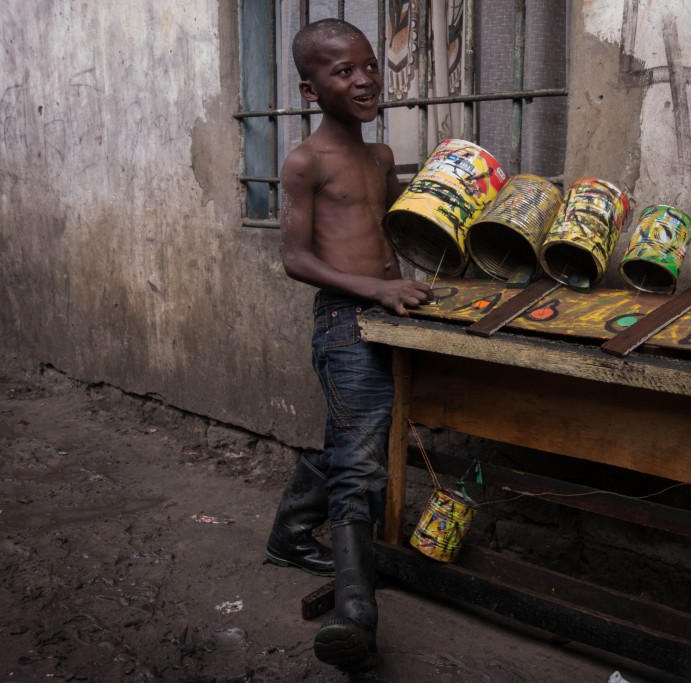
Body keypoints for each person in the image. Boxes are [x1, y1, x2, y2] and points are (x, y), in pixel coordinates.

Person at [262, 18, 433, 671]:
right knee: (361, 465)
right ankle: (356, 614)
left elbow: (398, 231)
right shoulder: (307, 161)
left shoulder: (381, 156)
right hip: (345, 321)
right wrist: (370, 288)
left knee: (354, 440)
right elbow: (296, 258)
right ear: (311, 89)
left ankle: (287, 533)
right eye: (342, 71)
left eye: (368, 66)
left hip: (389, 314)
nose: (363, 79)